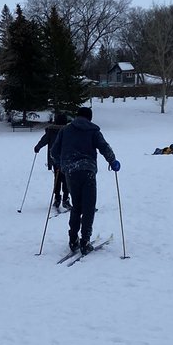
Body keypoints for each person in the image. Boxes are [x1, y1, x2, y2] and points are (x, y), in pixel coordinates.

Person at [50, 107, 118, 255]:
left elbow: (54, 152)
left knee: (76, 206)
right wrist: (113, 161)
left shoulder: (65, 130)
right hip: (88, 171)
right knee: (88, 206)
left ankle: (73, 239)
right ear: (90, 118)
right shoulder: (93, 131)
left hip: (71, 172)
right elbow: (104, 147)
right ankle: (85, 241)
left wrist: (61, 165)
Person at [33, 112, 71, 210]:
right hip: (66, 159)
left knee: (57, 179)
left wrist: (38, 147)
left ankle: (57, 198)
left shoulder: (51, 131)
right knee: (66, 179)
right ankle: (65, 198)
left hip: (54, 159)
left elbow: (44, 140)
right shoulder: (68, 130)